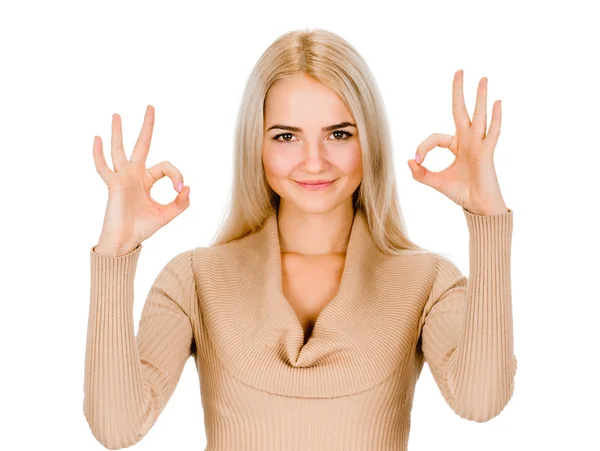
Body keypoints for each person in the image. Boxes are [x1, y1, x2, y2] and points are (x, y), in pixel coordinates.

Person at [83, 28, 517, 450]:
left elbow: (480, 401)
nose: (313, 162)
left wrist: (486, 217)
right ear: (258, 145)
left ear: (371, 143)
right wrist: (116, 252)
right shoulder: (195, 279)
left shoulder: (428, 281)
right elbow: (117, 427)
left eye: (339, 134)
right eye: (287, 136)